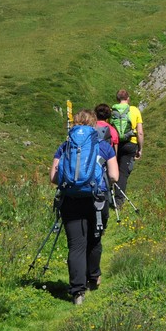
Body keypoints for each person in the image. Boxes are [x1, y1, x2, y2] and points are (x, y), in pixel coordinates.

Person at [50, 109, 118, 305]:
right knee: (95, 239)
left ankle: (78, 292)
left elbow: (53, 178)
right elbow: (114, 176)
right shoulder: (103, 147)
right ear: (94, 124)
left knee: (76, 245)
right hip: (97, 200)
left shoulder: (65, 147)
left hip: (70, 200)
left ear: (76, 124)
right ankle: (93, 277)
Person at [113, 89, 144, 207]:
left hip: (115, 144)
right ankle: (119, 201)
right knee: (123, 173)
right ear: (128, 98)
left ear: (117, 99)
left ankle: (107, 198)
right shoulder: (135, 110)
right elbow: (140, 133)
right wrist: (140, 149)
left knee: (112, 170)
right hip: (130, 144)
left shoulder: (113, 111)